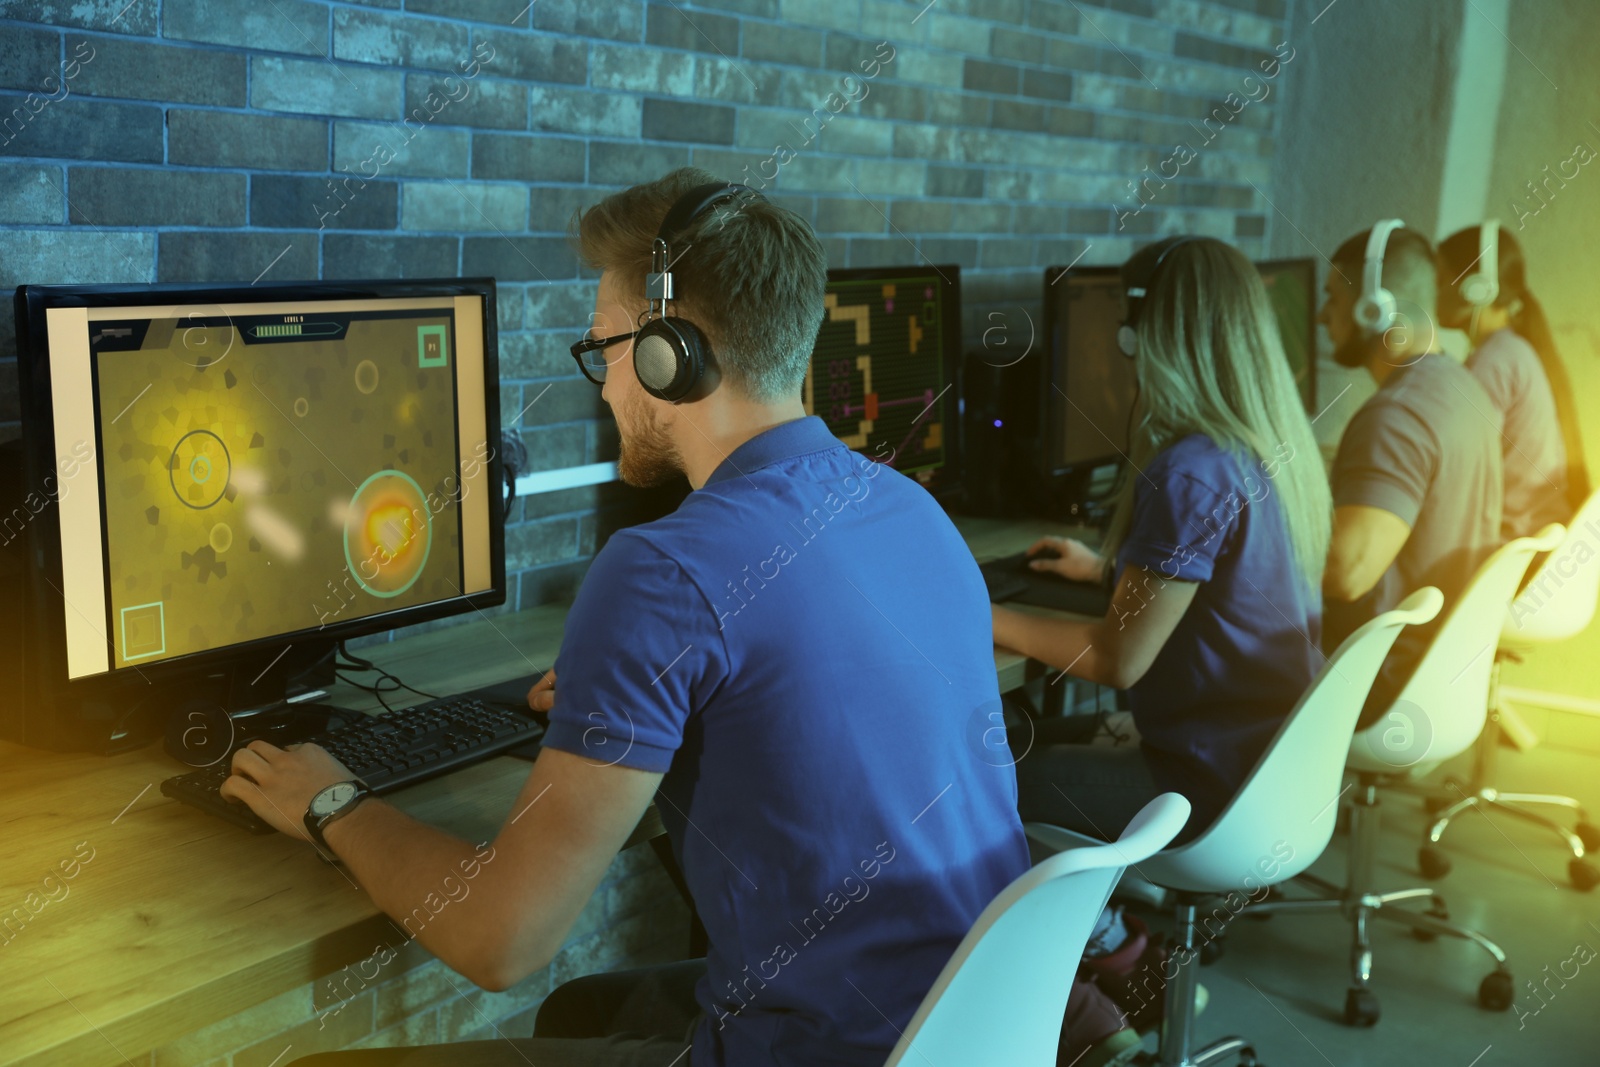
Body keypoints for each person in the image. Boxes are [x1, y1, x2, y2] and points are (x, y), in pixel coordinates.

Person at [223, 167, 1032, 1067]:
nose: (604, 385)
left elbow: (504, 938)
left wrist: (330, 800)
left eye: (602, 348)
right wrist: (647, 697)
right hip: (974, 1032)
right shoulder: (907, 506)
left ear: (666, 354)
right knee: (581, 1011)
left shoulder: (661, 572)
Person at [993, 235, 1332, 845]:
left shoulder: (1190, 472)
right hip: (1269, 764)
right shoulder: (1270, 446)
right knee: (1011, 739)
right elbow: (1227, 586)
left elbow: (1114, 660)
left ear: (1145, 332)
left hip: (1202, 784)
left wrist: (981, 612)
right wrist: (1110, 571)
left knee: (976, 775)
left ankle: (1106, 935)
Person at [1319, 220, 1503, 726]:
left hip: (1378, 684)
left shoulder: (1395, 418)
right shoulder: (1462, 385)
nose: (1320, 316)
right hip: (1442, 670)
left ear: (1373, 309)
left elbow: (1344, 576)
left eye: (1331, 299)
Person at [1437, 221, 1588, 538]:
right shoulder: (1512, 350)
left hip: (1513, 539)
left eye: (1440, 278)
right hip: (1540, 532)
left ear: (1476, 288)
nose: (1432, 291)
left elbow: (1455, 469)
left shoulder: (1495, 362)